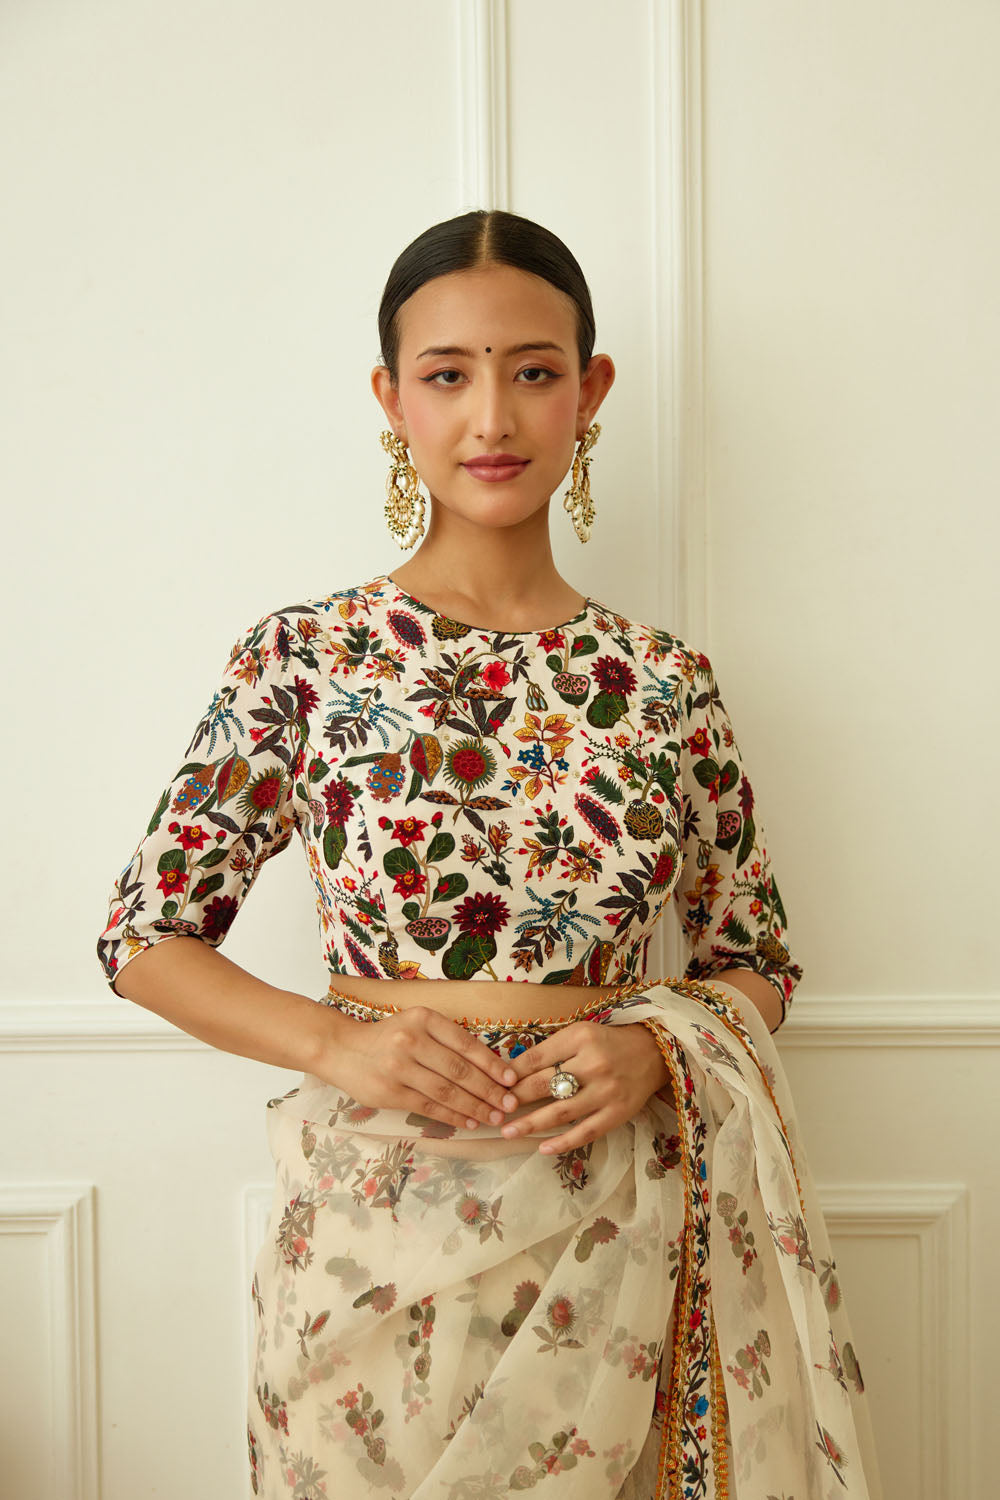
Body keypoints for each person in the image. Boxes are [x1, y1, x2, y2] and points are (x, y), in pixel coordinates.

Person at [97, 210, 881, 1499]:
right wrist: (338, 1045)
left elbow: (757, 958)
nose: (493, 418)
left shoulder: (664, 682)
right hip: (366, 1239)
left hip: (615, 1239)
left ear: (591, 390)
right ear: (391, 399)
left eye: (533, 370)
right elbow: (144, 939)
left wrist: (656, 1045)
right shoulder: (307, 661)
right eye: (448, 374)